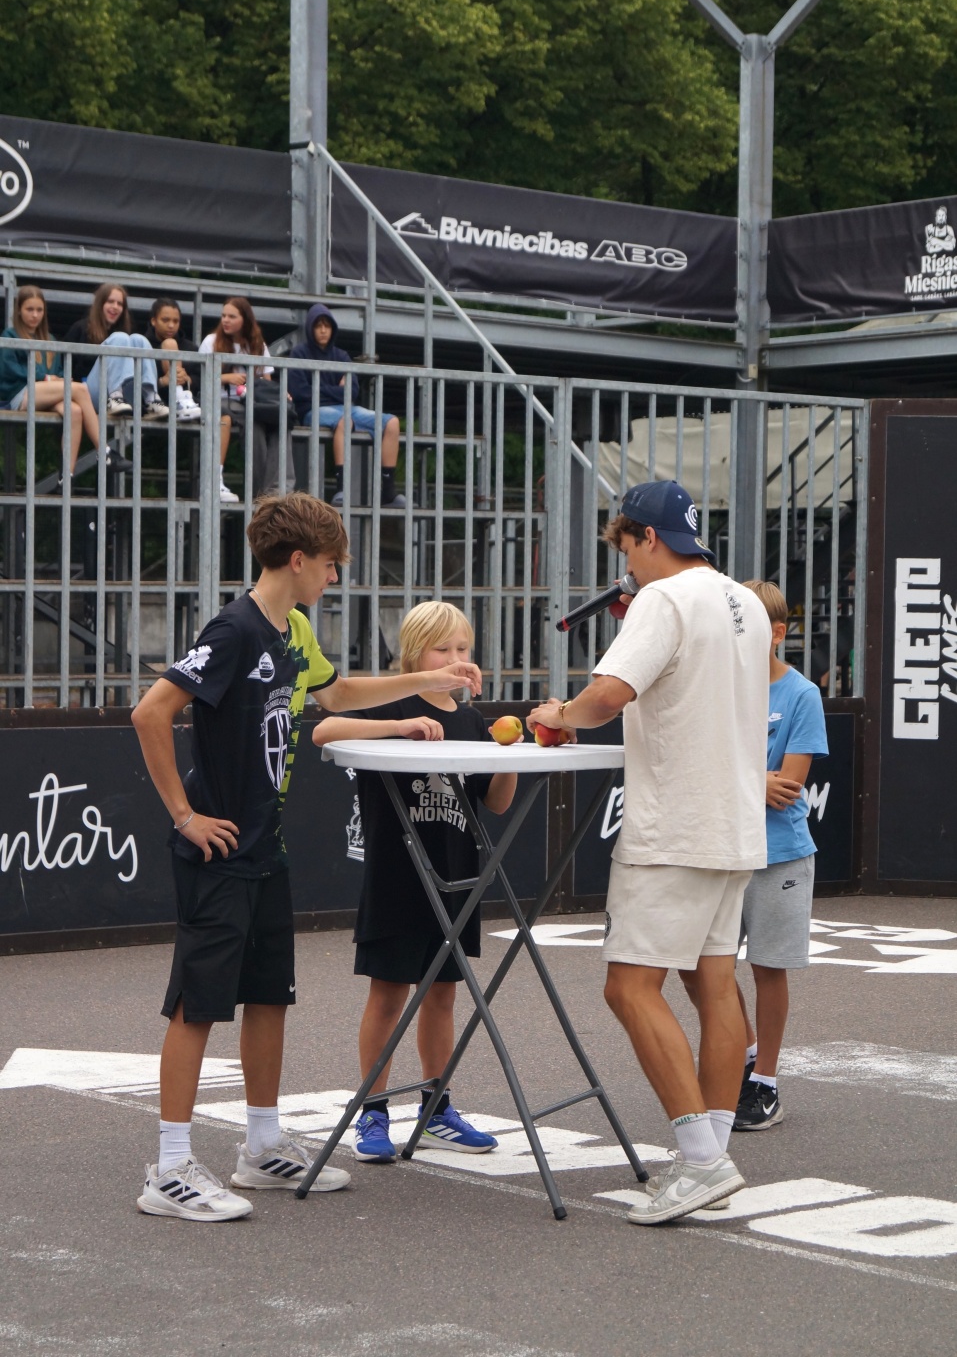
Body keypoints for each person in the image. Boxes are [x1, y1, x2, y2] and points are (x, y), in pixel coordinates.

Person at [130, 495, 484, 1223]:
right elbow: (150, 711)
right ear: (298, 560)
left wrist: (424, 682)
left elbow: (336, 693)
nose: (333, 577)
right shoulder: (234, 630)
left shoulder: (291, 628)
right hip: (219, 850)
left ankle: (262, 1146)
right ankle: (169, 1167)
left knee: (269, 997)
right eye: (329, 564)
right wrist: (185, 816)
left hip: (267, 848)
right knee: (197, 1006)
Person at [527, 480, 770, 1225]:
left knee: (629, 988)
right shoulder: (746, 601)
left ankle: (701, 1162)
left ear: (647, 537)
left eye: (626, 547)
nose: (626, 565)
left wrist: (559, 714)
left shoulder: (663, 600)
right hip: (734, 823)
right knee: (715, 985)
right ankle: (709, 1155)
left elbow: (606, 696)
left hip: (675, 826)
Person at [314, 601, 516, 1162]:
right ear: (412, 654)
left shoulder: (472, 721)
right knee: (387, 996)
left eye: (463, 649)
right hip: (396, 877)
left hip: (456, 877)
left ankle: (436, 1109)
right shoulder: (392, 703)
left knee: (443, 997)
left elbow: (496, 803)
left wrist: (509, 755)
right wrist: (399, 726)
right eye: (441, 649)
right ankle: (372, 1111)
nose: (455, 659)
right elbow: (325, 730)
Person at [728, 579, 828, 1132]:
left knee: (768, 969)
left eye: (748, 627)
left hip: (780, 855)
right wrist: (751, 781)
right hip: (721, 850)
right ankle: (746, 1055)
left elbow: (786, 787)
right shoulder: (715, 690)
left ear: (778, 633)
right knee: (704, 968)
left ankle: (764, 1081)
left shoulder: (801, 694)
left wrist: (737, 780)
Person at [0, 285, 132, 476]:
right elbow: (9, 370)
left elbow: (59, 370)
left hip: (47, 395)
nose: (35, 315)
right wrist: (46, 377)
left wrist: (59, 378)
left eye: (39, 310)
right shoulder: (10, 335)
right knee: (80, 389)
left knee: (75, 411)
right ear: (19, 310)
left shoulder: (50, 339)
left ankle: (66, 478)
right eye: (29, 309)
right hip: (20, 395)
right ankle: (104, 451)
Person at [288, 303, 404, 508]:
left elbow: (352, 392)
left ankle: (388, 492)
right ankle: (341, 489)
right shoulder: (299, 353)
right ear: (310, 328)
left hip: (346, 408)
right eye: (318, 326)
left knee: (392, 423)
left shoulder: (341, 356)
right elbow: (300, 392)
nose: (323, 330)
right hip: (312, 411)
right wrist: (336, 390)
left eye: (327, 326)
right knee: (344, 422)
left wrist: (319, 389)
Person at [199, 296, 292, 505]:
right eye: (223, 316)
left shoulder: (258, 345)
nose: (225, 320)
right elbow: (201, 381)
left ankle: (275, 489)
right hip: (221, 400)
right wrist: (226, 378)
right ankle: (258, 491)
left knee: (278, 419)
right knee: (250, 422)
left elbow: (267, 383)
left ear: (245, 320)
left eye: (232, 316)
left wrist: (278, 395)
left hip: (251, 403)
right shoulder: (211, 341)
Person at [63, 284, 165, 419]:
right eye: (110, 301)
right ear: (100, 304)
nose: (115, 307)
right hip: (88, 395)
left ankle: (151, 399)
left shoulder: (126, 332)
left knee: (139, 340)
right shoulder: (80, 328)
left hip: (126, 398)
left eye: (120, 304)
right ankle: (114, 398)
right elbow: (65, 366)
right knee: (120, 338)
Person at [144, 298, 202, 422]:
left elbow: (201, 379)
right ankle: (179, 398)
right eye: (165, 320)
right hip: (149, 405)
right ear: (153, 321)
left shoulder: (191, 348)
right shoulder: (142, 345)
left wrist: (187, 379)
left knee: (221, 414)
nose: (171, 325)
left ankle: (181, 398)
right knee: (169, 344)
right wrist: (161, 382)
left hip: (190, 405)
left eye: (176, 321)